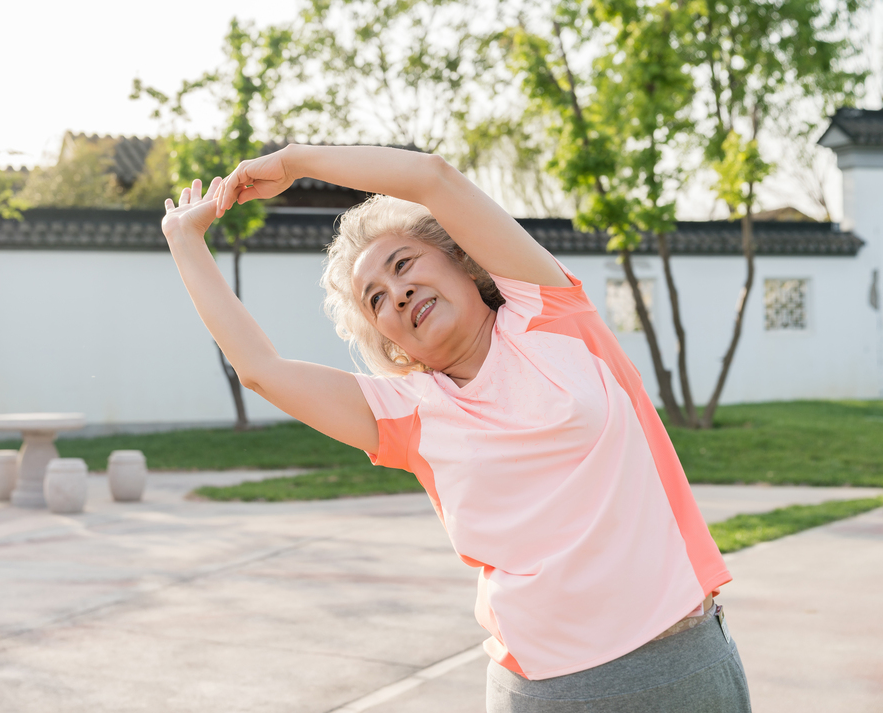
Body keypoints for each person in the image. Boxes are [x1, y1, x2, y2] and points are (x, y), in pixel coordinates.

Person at [161, 144, 752, 712]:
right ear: (385, 337)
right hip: (546, 690)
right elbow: (261, 370)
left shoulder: (550, 314)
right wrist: (184, 239)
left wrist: (293, 163)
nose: (398, 292)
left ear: (462, 259)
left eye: (404, 264)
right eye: (376, 299)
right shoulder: (408, 414)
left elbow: (431, 178)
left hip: (679, 664)